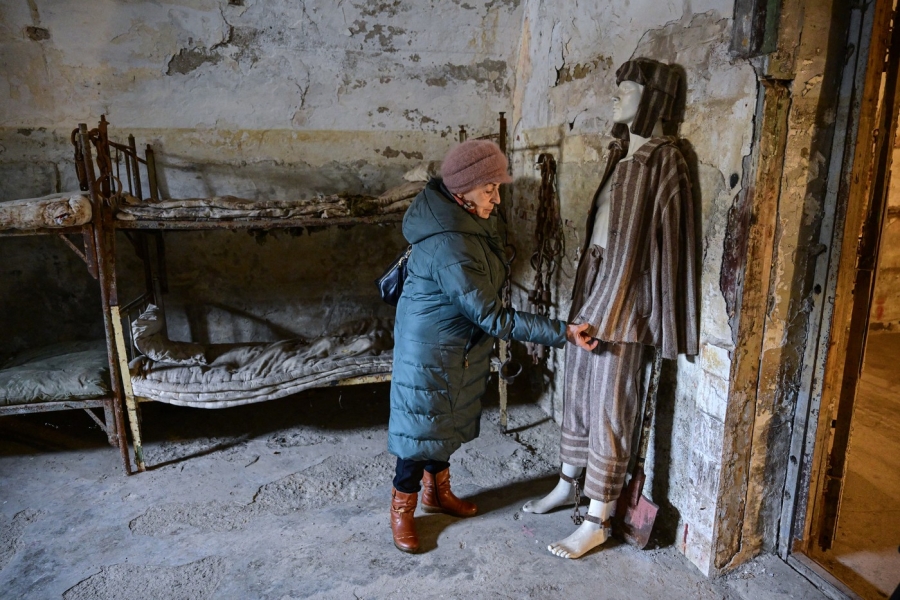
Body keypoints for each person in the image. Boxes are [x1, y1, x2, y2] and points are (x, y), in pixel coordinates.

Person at [522, 58, 698, 559]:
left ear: (654, 101)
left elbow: (674, 246)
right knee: (578, 392)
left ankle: (597, 516)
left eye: (627, 92)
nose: (616, 100)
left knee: (612, 408)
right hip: (593, 288)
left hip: (627, 302)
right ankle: (567, 482)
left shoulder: (667, 160)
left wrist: (667, 322)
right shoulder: (622, 155)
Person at [387, 139, 597, 553]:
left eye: (498, 189)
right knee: (419, 431)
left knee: (441, 424)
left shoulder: (462, 218)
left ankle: (436, 494)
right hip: (432, 347)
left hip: (451, 343)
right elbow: (493, 318)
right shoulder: (451, 245)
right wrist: (564, 333)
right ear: (463, 190)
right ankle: (402, 509)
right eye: (490, 190)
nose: (497, 200)